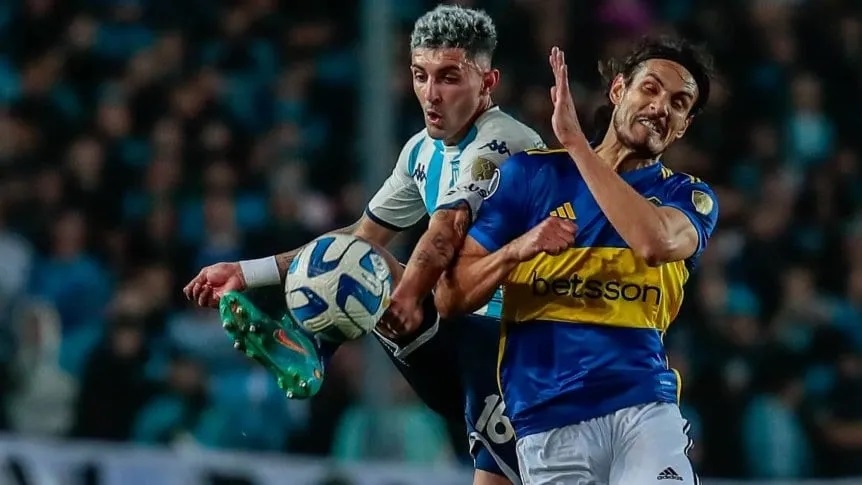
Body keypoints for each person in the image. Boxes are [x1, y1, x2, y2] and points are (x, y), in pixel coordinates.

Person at [184, 5, 543, 484]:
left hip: (526, 347)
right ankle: (312, 341)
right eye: (420, 76)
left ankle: (314, 337)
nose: (431, 94)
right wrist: (247, 273)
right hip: (468, 342)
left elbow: (445, 231)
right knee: (360, 261)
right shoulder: (421, 152)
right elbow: (359, 236)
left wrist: (409, 295)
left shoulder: (502, 144)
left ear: (488, 82)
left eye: (449, 77)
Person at [435, 37, 719, 485]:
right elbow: (449, 297)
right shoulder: (531, 176)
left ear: (683, 126)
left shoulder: (687, 196)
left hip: (643, 409)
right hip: (547, 420)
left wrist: (577, 145)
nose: (661, 106)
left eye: (679, 103)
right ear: (618, 90)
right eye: (650, 88)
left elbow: (654, 243)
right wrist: (518, 250)